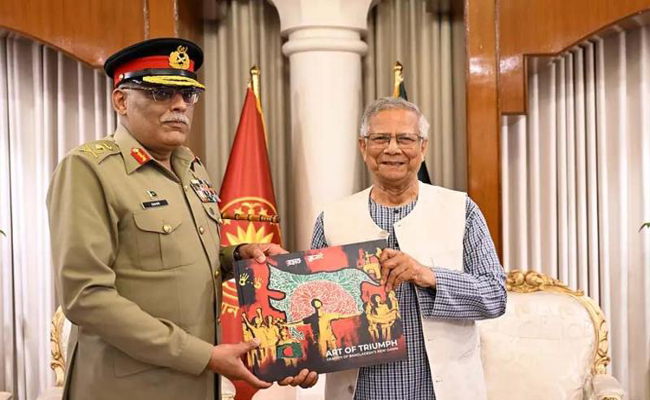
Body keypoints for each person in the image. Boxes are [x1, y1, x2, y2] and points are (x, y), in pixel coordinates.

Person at [47, 38, 317, 400]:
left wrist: (238, 256)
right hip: (130, 389)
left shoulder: (190, 167)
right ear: (121, 101)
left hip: (197, 383)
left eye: (188, 94)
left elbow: (176, 260)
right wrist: (203, 356)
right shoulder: (89, 170)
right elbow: (86, 297)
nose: (179, 105)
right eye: (161, 93)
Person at [311, 97, 507, 400]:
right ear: (363, 147)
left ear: (423, 147)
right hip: (360, 393)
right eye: (380, 138)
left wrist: (428, 275)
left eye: (405, 139)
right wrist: (304, 362)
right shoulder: (332, 219)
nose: (392, 149)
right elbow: (315, 313)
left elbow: (495, 296)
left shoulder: (461, 210)